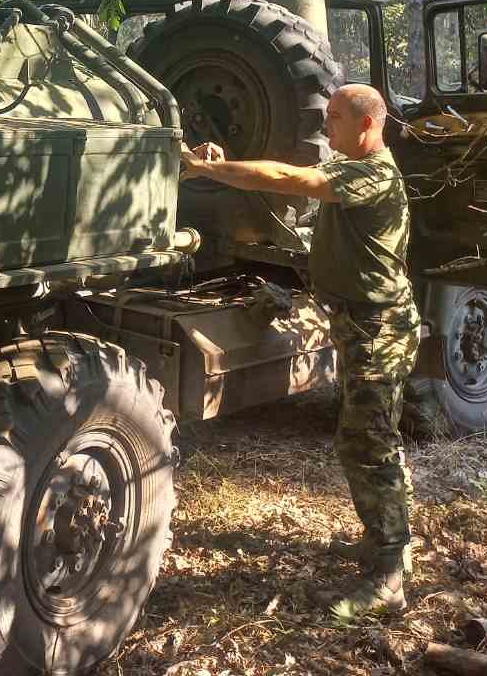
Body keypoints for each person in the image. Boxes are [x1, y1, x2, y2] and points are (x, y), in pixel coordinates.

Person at [179, 83, 418, 619]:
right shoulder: (356, 171)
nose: (326, 125)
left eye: (334, 117)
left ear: (367, 126)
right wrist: (227, 161)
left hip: (378, 327)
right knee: (365, 437)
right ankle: (388, 541)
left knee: (370, 442)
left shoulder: (374, 174)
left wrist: (208, 170)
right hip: (362, 323)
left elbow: (291, 178)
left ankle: (389, 576)